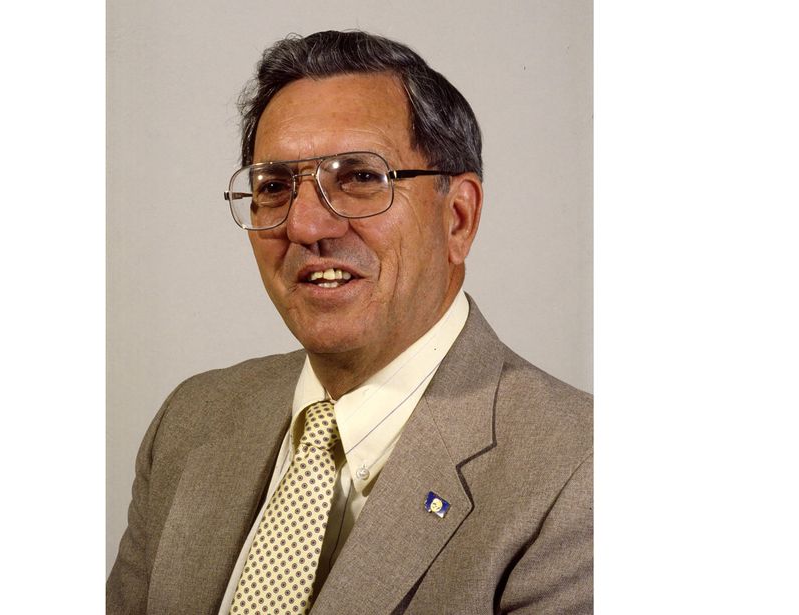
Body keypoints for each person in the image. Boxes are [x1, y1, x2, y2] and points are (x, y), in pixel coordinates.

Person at [107, 30, 592, 615]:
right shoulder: (191, 420)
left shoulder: (582, 473)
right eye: (276, 187)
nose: (307, 226)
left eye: (361, 178)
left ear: (458, 219)